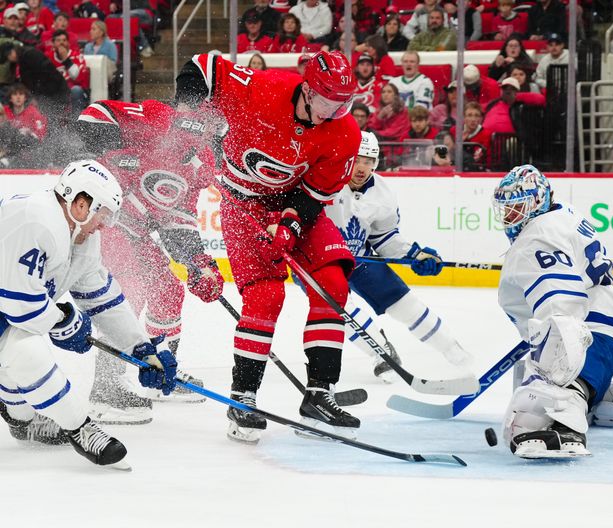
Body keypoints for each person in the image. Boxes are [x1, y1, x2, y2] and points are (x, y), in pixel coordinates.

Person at [175, 50, 362, 442]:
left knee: (333, 285)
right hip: (243, 201)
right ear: (308, 91)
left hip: (293, 202)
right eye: (329, 101)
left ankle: (319, 394)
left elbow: (314, 195)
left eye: (345, 103)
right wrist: (185, 114)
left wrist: (291, 226)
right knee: (265, 296)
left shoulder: (345, 132)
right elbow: (202, 66)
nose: (336, 111)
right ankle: (243, 397)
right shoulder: (262, 89)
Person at [0, 159, 178, 467]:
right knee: (24, 350)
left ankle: (22, 418)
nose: (106, 224)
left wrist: (140, 347)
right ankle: (81, 429)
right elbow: (20, 308)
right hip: (10, 311)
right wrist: (65, 321)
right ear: (81, 204)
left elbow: (102, 299)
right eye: (104, 213)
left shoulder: (80, 237)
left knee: (23, 413)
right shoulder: (36, 219)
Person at [75, 99, 223, 418]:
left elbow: (179, 217)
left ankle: (160, 373)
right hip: (107, 224)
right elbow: (95, 114)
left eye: (213, 124)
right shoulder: (157, 119)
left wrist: (197, 260)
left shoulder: (204, 162)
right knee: (129, 289)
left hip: (138, 233)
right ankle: (106, 385)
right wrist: (109, 157)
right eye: (202, 118)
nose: (205, 128)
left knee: (168, 289)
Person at [492, 165, 613, 458]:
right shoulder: (563, 213)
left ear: (537, 203)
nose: (509, 218)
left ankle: (567, 420)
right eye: (506, 210)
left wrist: (551, 365)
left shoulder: (537, 237)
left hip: (591, 335)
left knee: (530, 406)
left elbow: (562, 305)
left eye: (517, 208)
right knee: (533, 376)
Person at [325, 131, 472, 380]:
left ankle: (453, 350)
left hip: (360, 257)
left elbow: (384, 238)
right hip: (319, 260)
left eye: (369, 161)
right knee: (337, 305)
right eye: (357, 159)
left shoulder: (382, 192)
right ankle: (382, 353)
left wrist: (415, 255)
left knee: (404, 303)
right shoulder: (326, 179)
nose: (362, 168)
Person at [0, 40, 68, 120]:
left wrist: (36, 96)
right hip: (47, 91)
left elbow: (46, 75)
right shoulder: (24, 56)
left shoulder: (29, 55)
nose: (10, 60)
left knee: (53, 117)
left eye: (8, 58)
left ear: (11, 53)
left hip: (54, 91)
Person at [47, 29, 88, 117]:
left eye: (64, 40)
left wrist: (66, 59)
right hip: (55, 92)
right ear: (53, 43)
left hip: (74, 92)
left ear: (68, 43)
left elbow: (77, 78)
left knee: (76, 90)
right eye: (58, 40)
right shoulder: (48, 58)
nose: (61, 43)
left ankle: (76, 124)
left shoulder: (77, 56)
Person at [452, 101, 491, 170]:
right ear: (464, 117)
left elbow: (477, 159)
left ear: (481, 119)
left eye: (476, 116)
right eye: (469, 115)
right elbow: (450, 154)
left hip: (478, 170)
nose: (473, 119)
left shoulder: (486, 134)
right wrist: (460, 141)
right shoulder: (454, 130)